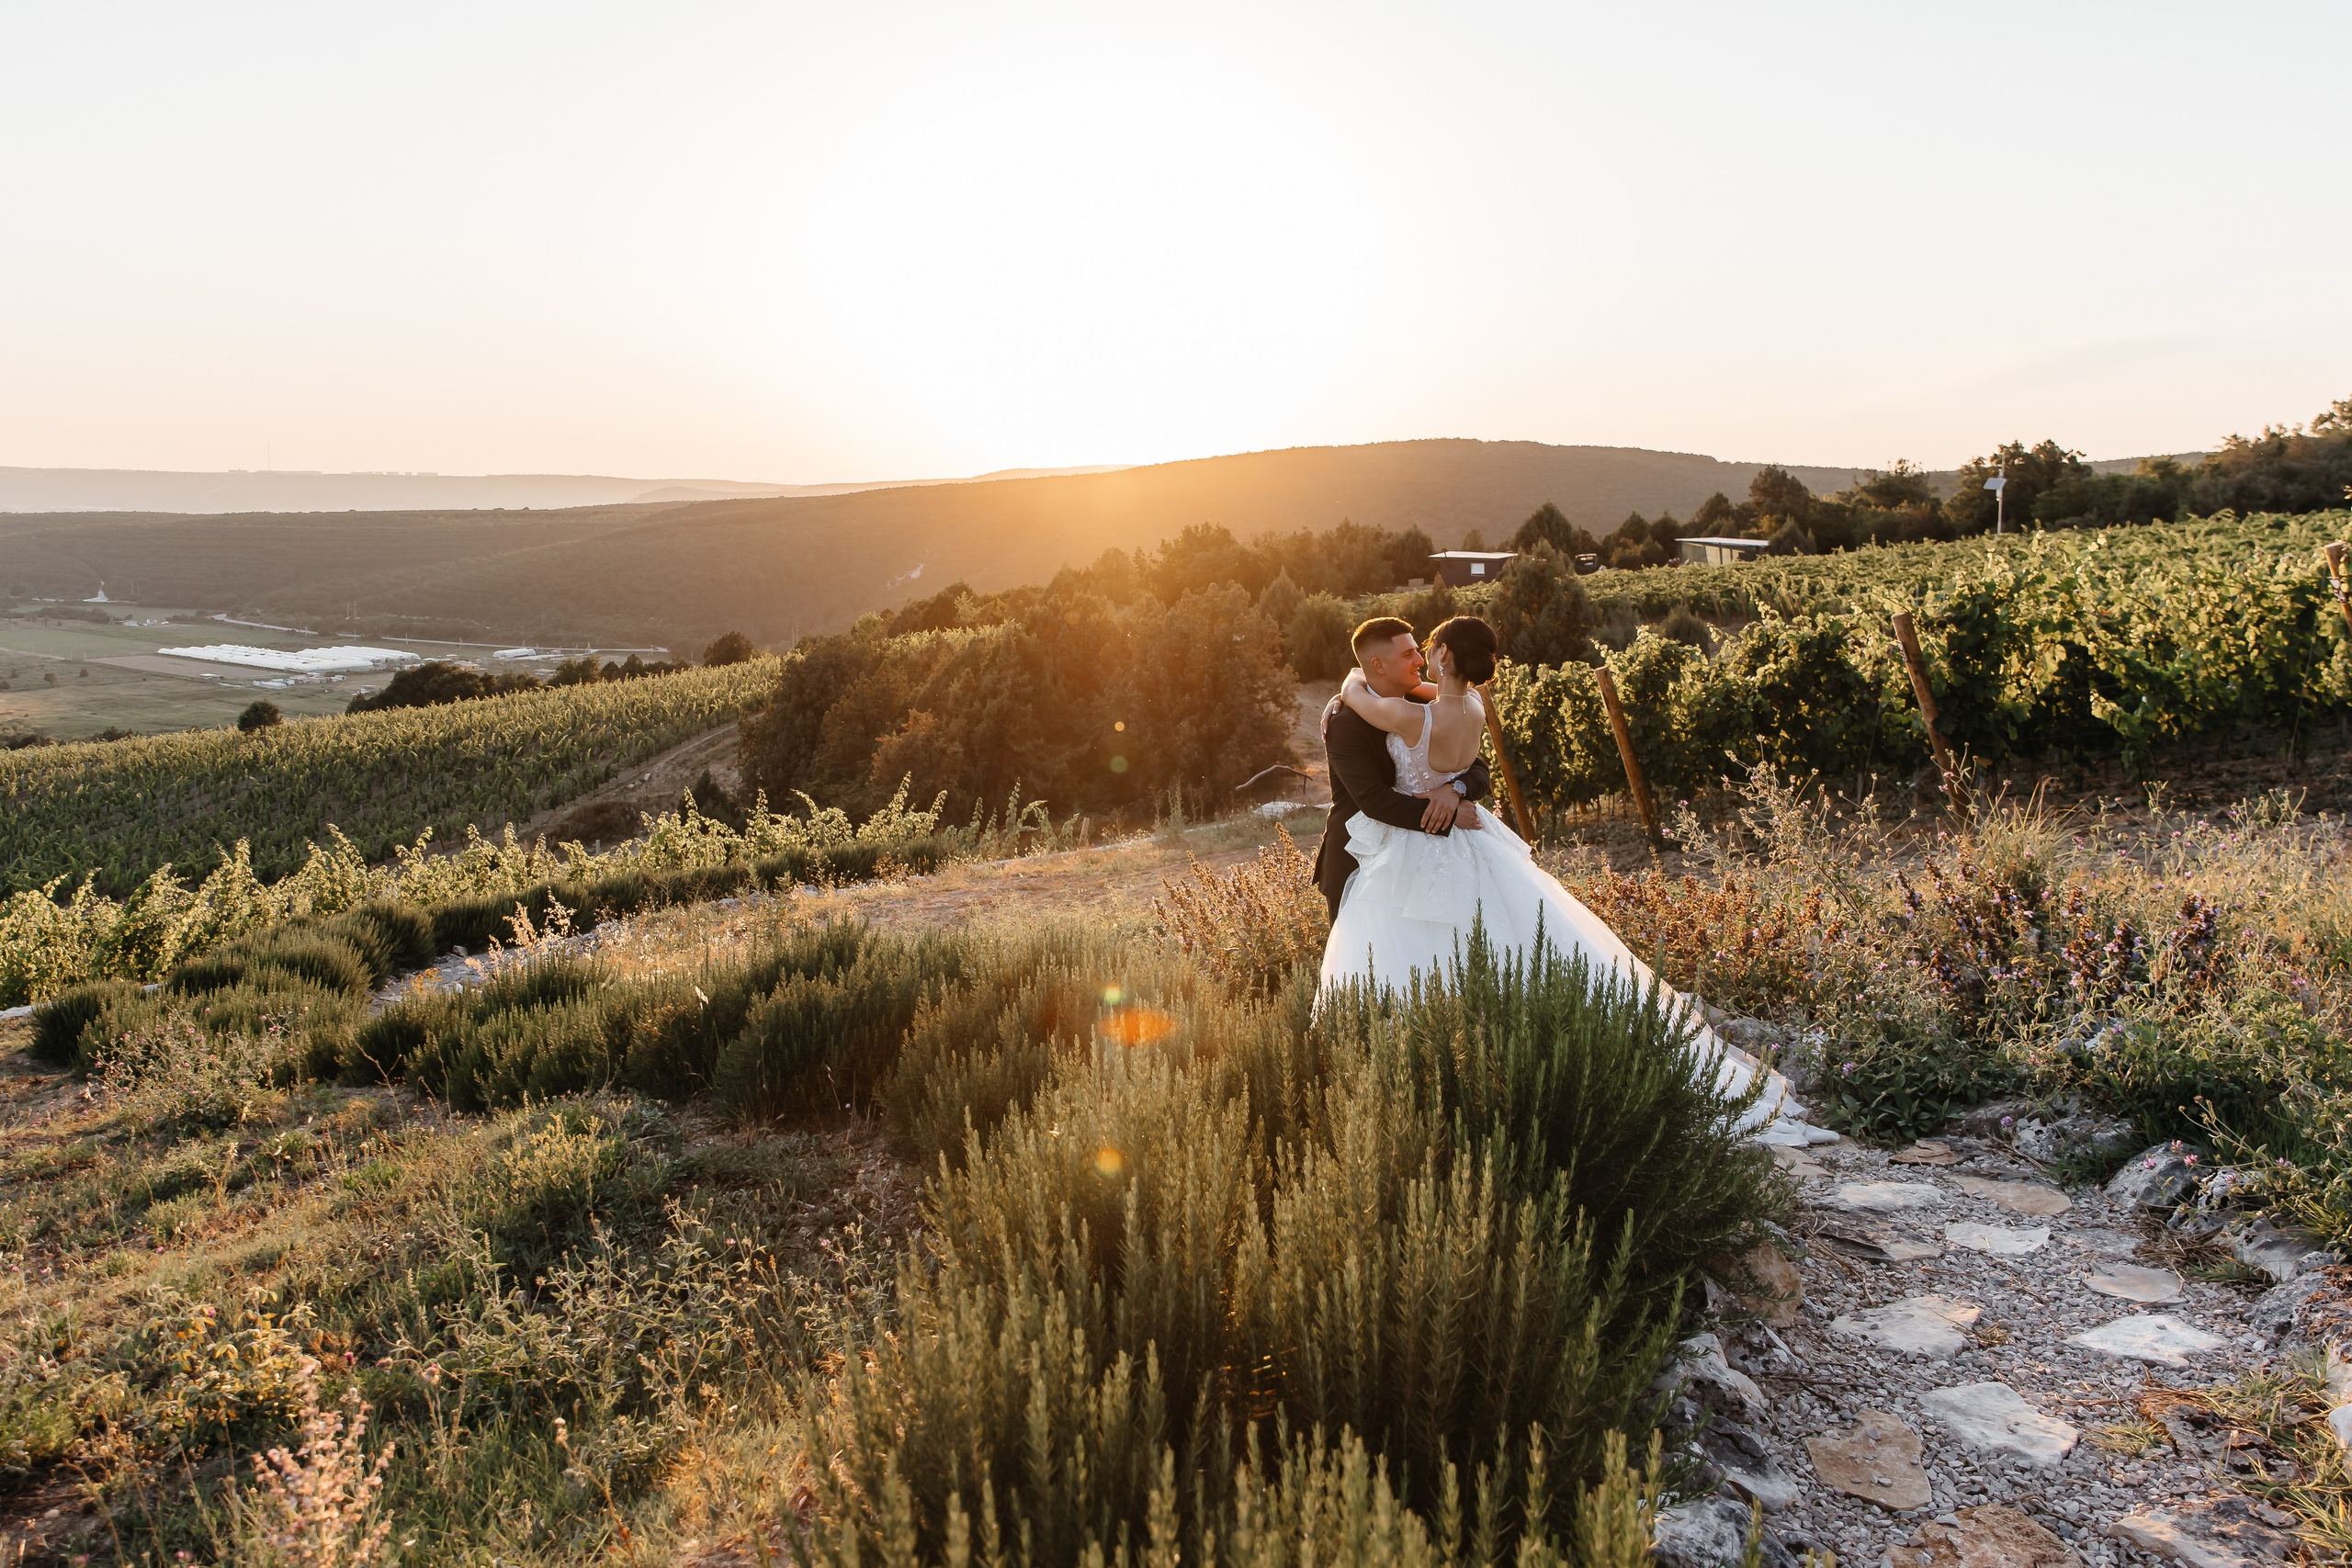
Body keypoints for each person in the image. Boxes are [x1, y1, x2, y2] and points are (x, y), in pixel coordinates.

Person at [1315, 614, 1825, 1145]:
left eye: (1424, 649)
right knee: (1411, 961)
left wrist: (1456, 792)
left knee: (1480, 950)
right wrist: (1450, 799)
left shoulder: (1402, 706)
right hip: (1377, 856)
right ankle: (1404, 1087)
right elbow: (1372, 800)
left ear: (1444, 657)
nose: (1419, 656)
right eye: (1407, 652)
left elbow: (1477, 769)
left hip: (1438, 842)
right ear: (1377, 663)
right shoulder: (1384, 714)